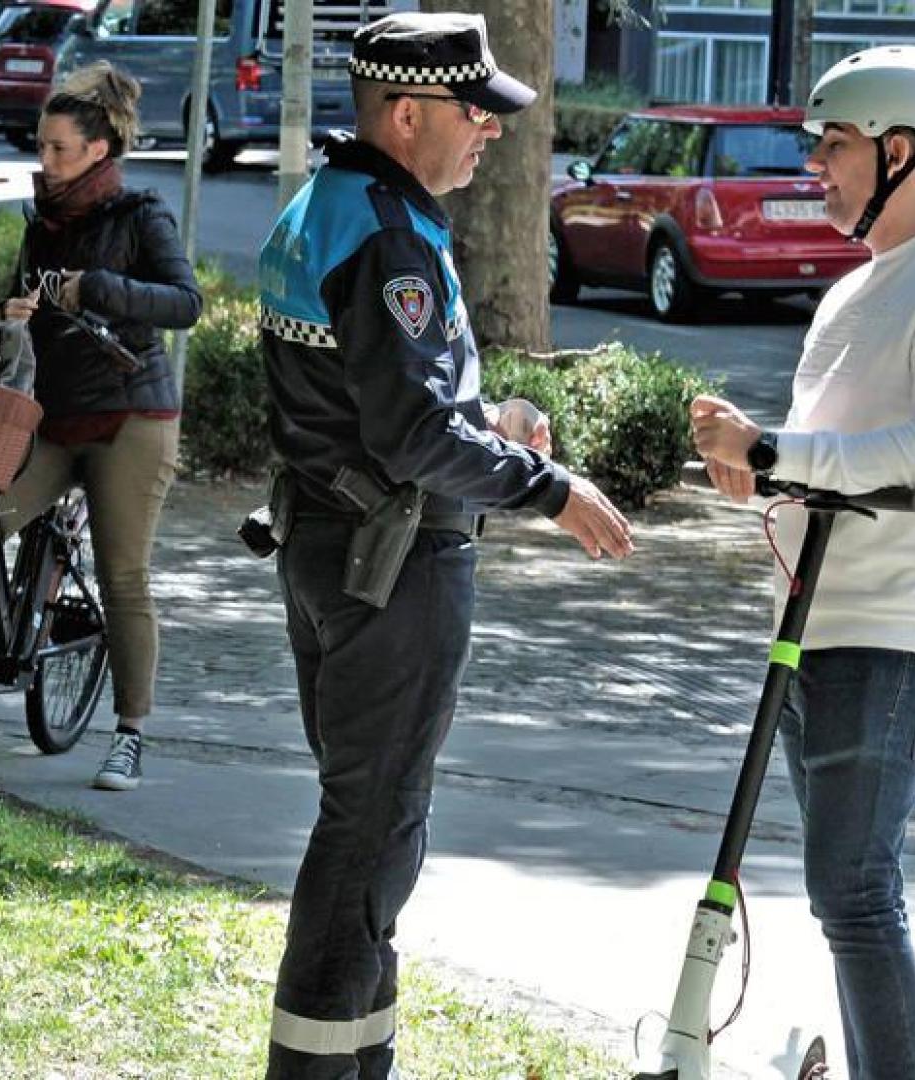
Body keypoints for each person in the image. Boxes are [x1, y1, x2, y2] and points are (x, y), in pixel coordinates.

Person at [254, 12, 633, 1077]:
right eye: (476, 113)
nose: (493, 134)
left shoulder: (327, 205)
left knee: (367, 823)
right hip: (395, 564)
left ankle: (357, 1059)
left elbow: (378, 400)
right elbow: (413, 434)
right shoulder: (390, 236)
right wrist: (553, 489)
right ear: (407, 113)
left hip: (331, 547)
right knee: (372, 832)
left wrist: (493, 421)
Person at [690, 47, 915, 1080]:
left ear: (898, 148)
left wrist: (774, 453)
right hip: (819, 616)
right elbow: (825, 452)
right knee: (844, 890)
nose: (818, 169)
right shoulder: (860, 290)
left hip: (894, 626)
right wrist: (758, 471)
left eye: (833, 146)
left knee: (856, 888)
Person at [0, 63, 201, 791]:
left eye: (58, 149)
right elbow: (17, 298)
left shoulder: (141, 215)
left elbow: (185, 303)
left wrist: (102, 290)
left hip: (131, 416)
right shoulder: (40, 224)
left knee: (123, 575)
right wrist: (12, 311)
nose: (44, 161)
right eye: (40, 147)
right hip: (55, 414)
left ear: (98, 151)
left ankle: (130, 734)